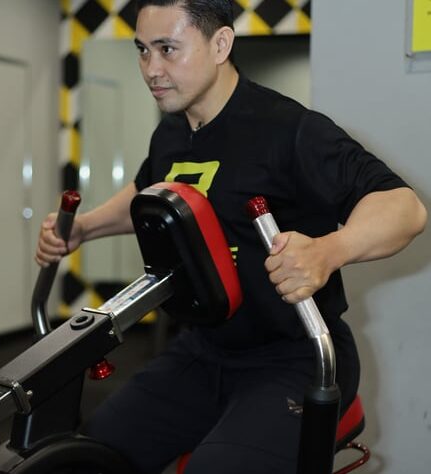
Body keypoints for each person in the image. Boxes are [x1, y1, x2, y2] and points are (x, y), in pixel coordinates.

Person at [36, 1, 427, 472]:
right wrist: (85, 227)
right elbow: (147, 189)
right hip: (204, 352)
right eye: (142, 50)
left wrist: (329, 250)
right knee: (87, 458)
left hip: (294, 356)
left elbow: (404, 207)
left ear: (220, 44)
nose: (151, 69)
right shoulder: (172, 133)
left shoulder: (288, 129)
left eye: (167, 49)